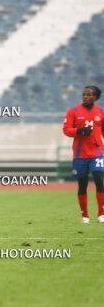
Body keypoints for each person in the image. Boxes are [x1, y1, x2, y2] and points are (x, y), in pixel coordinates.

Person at [63, 85, 104, 224]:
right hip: (80, 154)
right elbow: (66, 130)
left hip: (97, 152)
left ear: (96, 97)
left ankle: (101, 213)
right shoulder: (73, 111)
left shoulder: (101, 112)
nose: (85, 96)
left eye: (89, 94)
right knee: (82, 184)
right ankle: (85, 215)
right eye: (84, 94)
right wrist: (79, 131)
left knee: (99, 179)